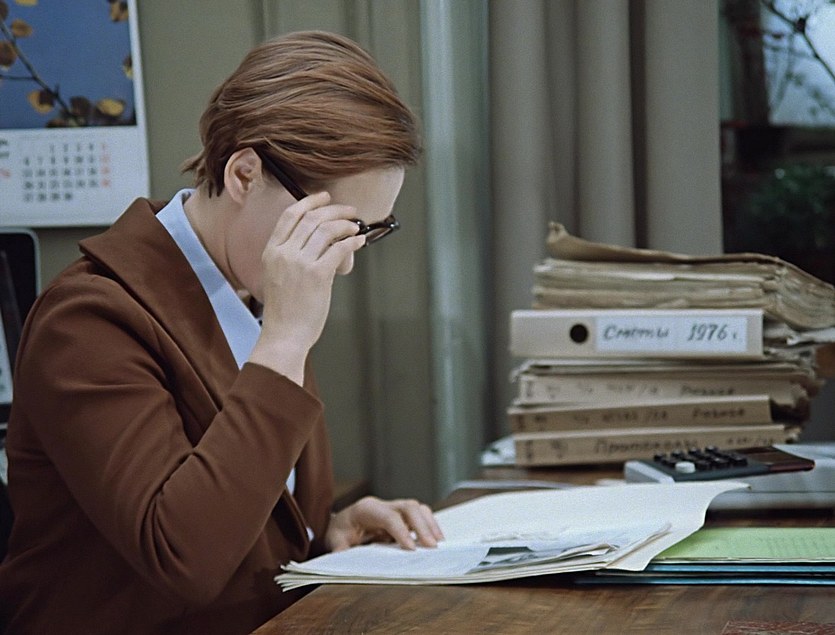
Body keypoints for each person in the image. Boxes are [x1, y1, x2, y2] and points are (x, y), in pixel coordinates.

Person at [0, 30, 443, 634]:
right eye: (334, 230)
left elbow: (239, 498)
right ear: (244, 174)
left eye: (367, 233)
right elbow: (183, 556)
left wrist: (321, 532)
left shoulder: (258, 286)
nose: (343, 264)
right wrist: (285, 341)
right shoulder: (86, 322)